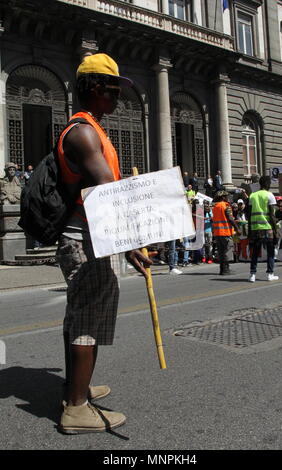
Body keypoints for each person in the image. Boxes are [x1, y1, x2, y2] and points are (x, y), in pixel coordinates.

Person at [55, 53, 152, 434]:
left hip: (91, 235)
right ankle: (76, 410)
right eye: (113, 88)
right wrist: (130, 243)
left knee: (84, 316)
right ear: (94, 88)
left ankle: (76, 388)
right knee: (87, 320)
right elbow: (107, 194)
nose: (118, 97)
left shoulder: (93, 128)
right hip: (85, 239)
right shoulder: (82, 132)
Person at [248, 175, 279, 282]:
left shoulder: (252, 195)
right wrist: (276, 231)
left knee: (255, 252)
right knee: (270, 252)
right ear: (266, 183)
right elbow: (272, 215)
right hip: (267, 228)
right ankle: (270, 274)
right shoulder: (269, 195)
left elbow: (249, 215)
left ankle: (252, 275)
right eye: (269, 183)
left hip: (255, 228)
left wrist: (249, 231)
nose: (270, 185)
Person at [212, 190, 241, 275]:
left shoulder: (216, 207)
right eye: (226, 196)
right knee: (226, 251)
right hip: (225, 233)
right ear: (223, 197)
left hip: (217, 233)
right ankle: (226, 269)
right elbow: (230, 218)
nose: (228, 198)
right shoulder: (226, 206)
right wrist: (237, 228)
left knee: (221, 251)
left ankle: (222, 269)